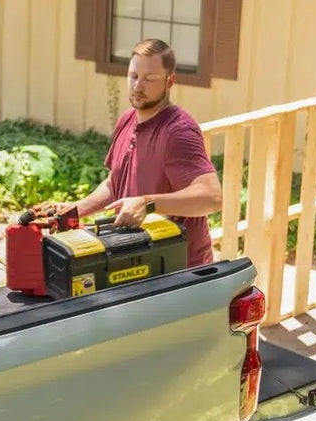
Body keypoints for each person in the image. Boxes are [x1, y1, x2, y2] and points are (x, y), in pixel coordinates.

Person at [63, 38, 222, 267]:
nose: (138, 86)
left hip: (180, 269)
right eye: (133, 76)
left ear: (170, 81)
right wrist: (75, 210)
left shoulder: (178, 131)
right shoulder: (127, 120)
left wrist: (148, 203)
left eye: (149, 79)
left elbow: (212, 197)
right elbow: (115, 184)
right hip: (139, 261)